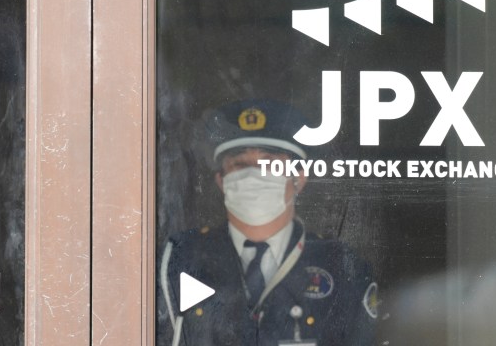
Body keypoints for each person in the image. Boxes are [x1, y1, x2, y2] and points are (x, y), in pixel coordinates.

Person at [159, 99, 377, 345]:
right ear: (221, 181)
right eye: (240, 164)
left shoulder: (341, 267)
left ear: (299, 179)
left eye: (269, 162)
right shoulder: (181, 258)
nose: (254, 174)